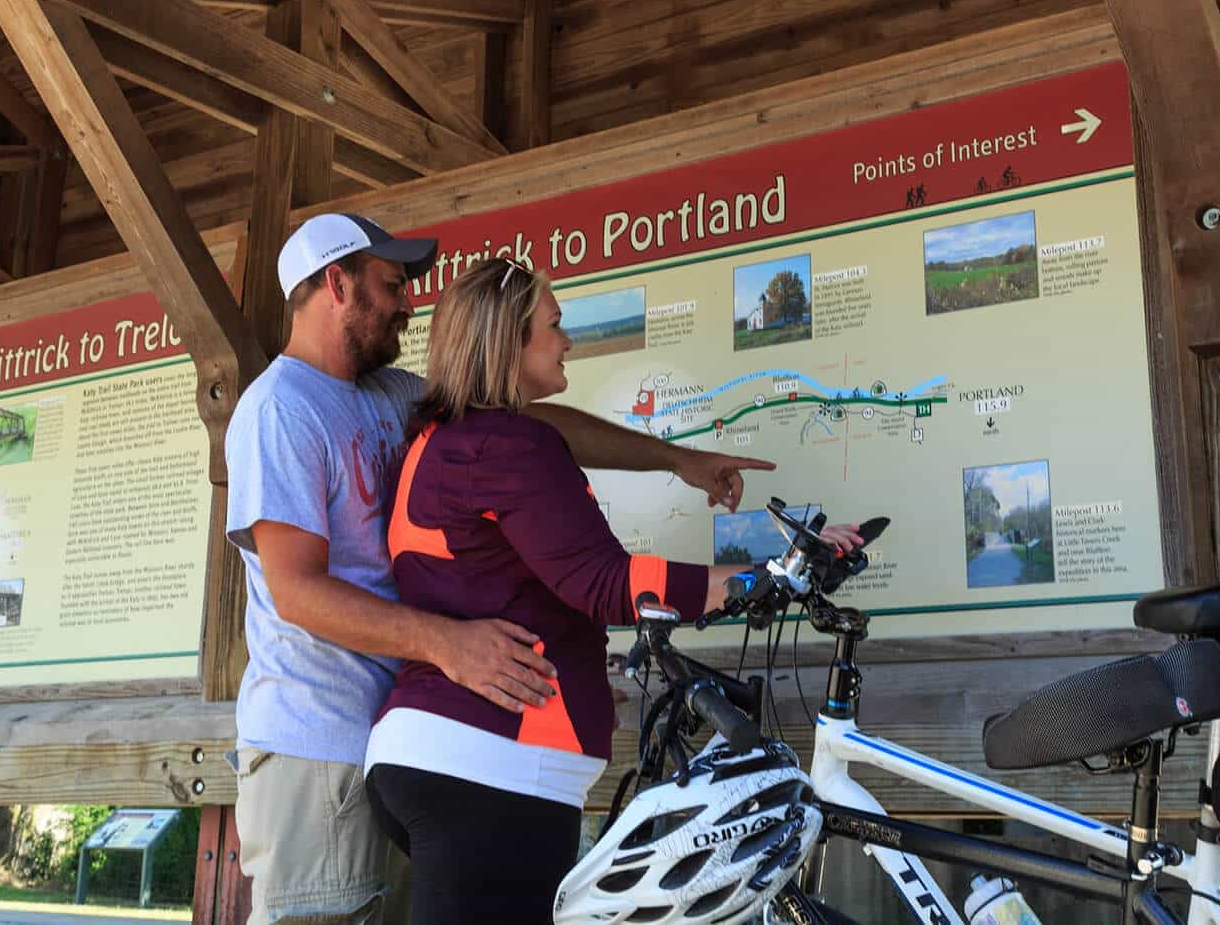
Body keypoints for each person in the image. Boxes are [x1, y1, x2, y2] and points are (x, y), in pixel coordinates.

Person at [225, 213, 776, 925]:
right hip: (316, 743)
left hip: (407, 734)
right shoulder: (281, 410)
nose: (409, 302)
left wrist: (675, 459)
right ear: (338, 284)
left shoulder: (391, 395)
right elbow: (297, 592)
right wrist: (446, 644)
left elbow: (528, 422)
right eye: (392, 284)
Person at [363, 257, 862, 925]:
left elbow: (505, 570)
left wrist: (678, 463)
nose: (568, 342)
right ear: (509, 340)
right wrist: (757, 580)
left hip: (445, 755)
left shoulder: (442, 441)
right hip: (490, 767)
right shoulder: (511, 446)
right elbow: (605, 582)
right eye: (554, 325)